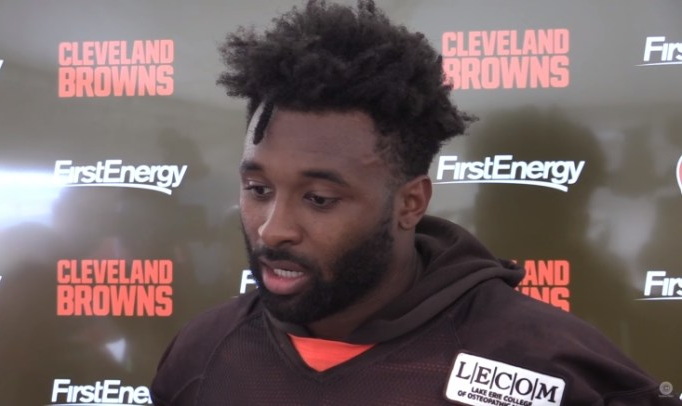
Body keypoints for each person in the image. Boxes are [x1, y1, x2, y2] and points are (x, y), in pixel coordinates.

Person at [151, 1, 680, 405]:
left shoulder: (542, 369)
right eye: (258, 189)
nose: (273, 229)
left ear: (410, 203)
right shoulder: (202, 353)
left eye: (319, 198)